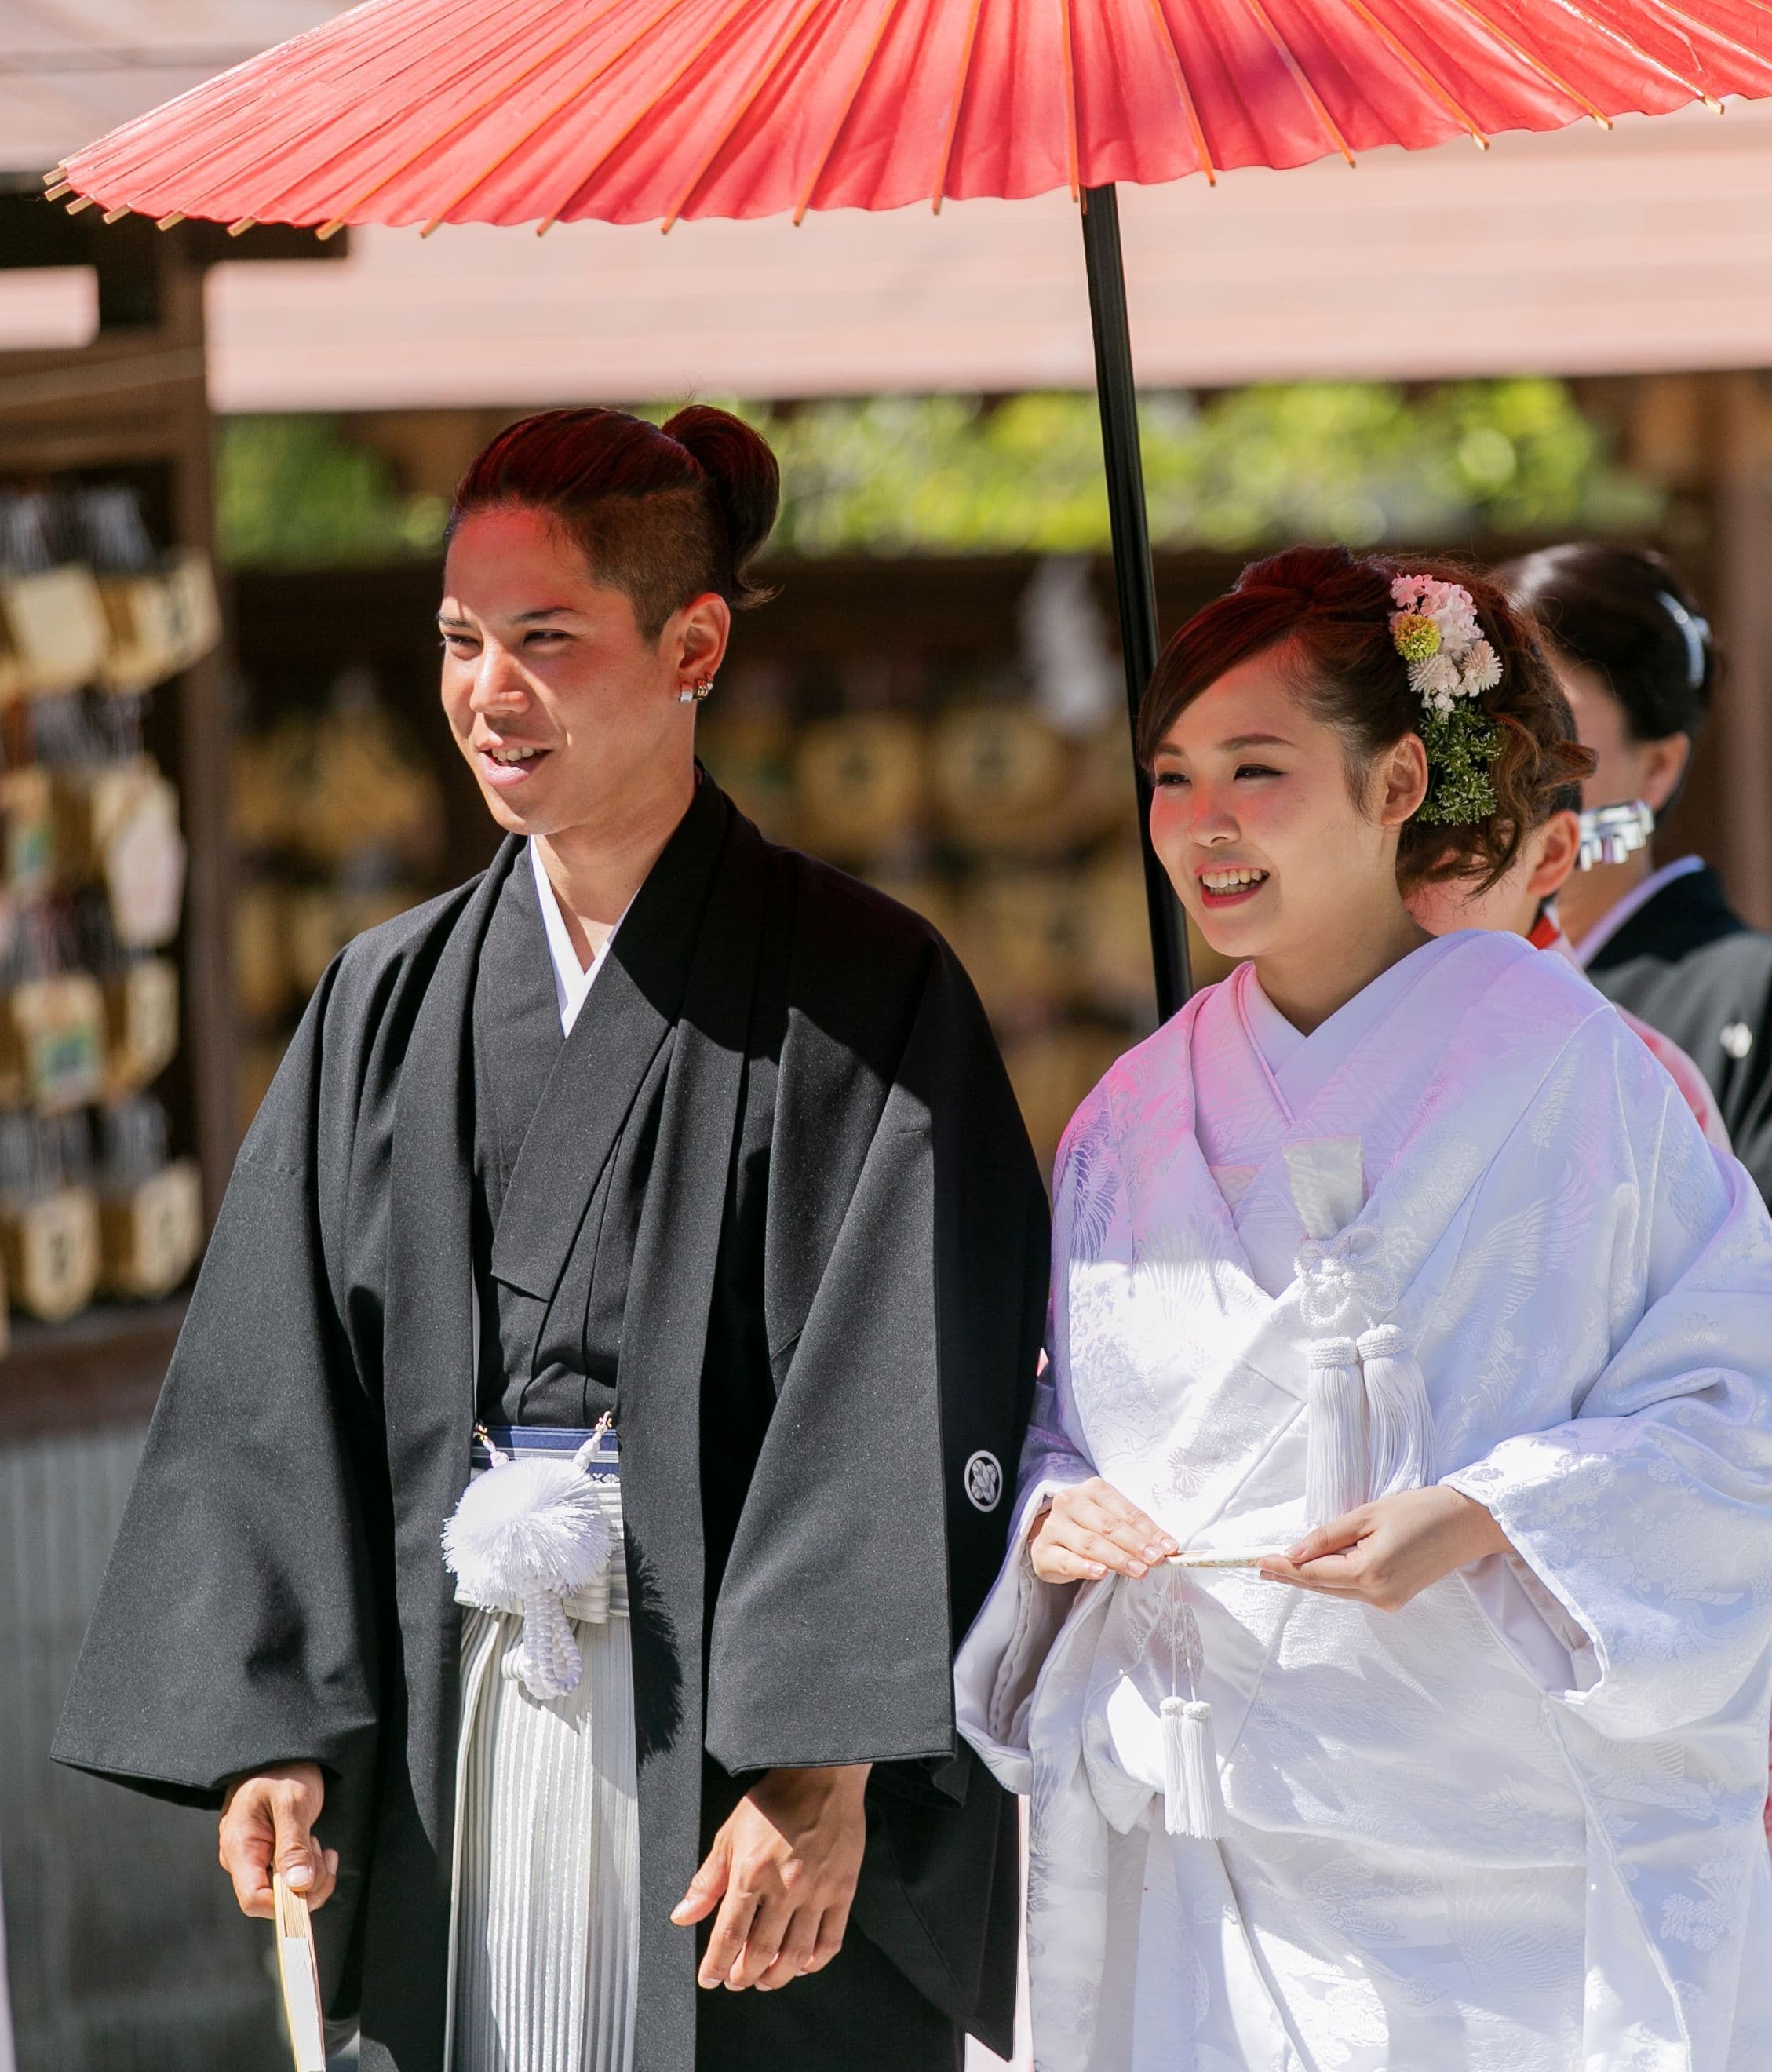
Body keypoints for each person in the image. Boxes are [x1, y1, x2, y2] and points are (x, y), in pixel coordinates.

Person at [52, 406, 1047, 2071]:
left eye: (545, 640)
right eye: (459, 640)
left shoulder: (864, 991)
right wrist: (275, 1733)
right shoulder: (388, 995)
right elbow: (273, 1391)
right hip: (457, 1727)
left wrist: (827, 1762)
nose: (486, 692)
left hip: (728, 1753)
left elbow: (907, 1377)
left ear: (695, 644)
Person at [956, 545, 1772, 2070]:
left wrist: (1496, 1516)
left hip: (1516, 1891)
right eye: (1172, 777)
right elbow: (1057, 1419)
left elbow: (1758, 1425)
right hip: (1224, 1870)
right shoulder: (1125, 1118)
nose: (1205, 825)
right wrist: (1053, 1508)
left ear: (1396, 786)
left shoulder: (1584, 1076)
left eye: (1257, 769)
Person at [1405, 721, 1772, 2072]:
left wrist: (1494, 1510)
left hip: (1568, 1628)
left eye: (1445, 855)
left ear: (1553, 852)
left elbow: (1742, 1409)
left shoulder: (1630, 1074)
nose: (1411, 896)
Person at [1502, 542, 1772, 1822]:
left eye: (1560, 728)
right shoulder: (1453, 999)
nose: (1520, 763)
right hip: (1469, 1611)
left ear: (1659, 765)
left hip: (1688, 1605)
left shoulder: (1757, 1001)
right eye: (1492, 726)